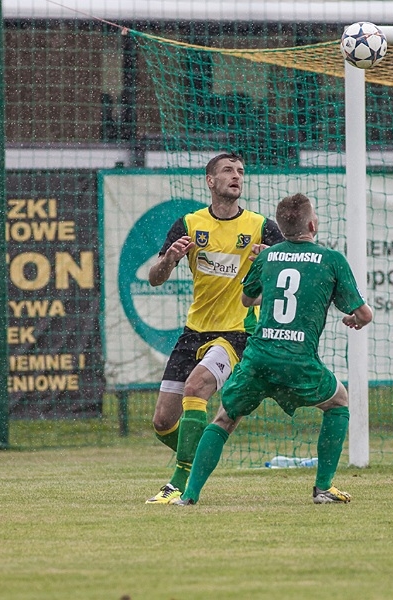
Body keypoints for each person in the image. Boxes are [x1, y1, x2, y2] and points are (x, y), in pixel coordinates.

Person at [172, 193, 373, 505]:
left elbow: (247, 299)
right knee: (338, 402)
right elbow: (364, 315)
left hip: (259, 358)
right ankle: (323, 488)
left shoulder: (268, 257)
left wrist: (273, 286)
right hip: (297, 360)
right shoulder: (331, 260)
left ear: (281, 227)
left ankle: (189, 495)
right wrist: (353, 318)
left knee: (224, 419)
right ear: (312, 224)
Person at [145, 153, 283, 504]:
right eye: (228, 170)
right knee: (163, 422)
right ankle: (202, 452)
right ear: (210, 181)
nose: (236, 176)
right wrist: (169, 259)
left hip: (238, 332)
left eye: (241, 171)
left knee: (196, 387)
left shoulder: (262, 227)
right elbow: (154, 279)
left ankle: (178, 484)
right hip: (194, 330)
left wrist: (269, 262)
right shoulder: (189, 224)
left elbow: (287, 278)